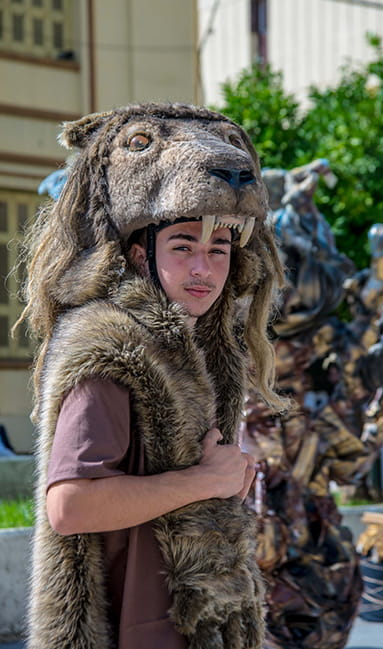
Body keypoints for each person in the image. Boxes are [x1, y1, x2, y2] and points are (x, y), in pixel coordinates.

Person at [19, 102, 287, 649]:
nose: (203, 268)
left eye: (217, 250)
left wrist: (225, 481)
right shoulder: (112, 351)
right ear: (141, 256)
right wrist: (206, 482)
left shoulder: (205, 352)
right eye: (183, 247)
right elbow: (70, 506)